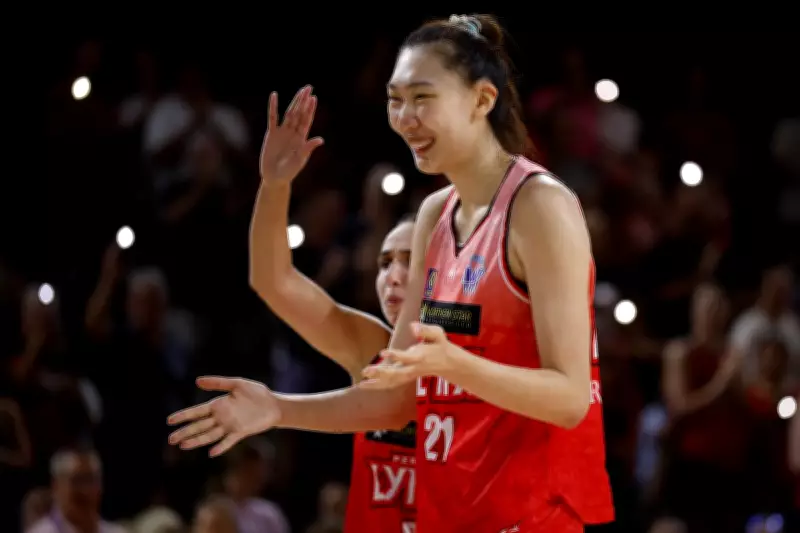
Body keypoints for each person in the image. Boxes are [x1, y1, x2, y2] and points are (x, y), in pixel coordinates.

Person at [169, 13, 614, 532]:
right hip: (449, 517)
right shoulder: (434, 215)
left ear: (482, 100)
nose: (403, 117)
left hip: (534, 519)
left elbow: (569, 398)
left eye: (422, 98)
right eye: (394, 99)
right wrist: (277, 409)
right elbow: (397, 398)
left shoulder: (540, 206)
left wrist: (456, 365)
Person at [247, 143, 417, 533]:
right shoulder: (372, 347)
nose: (393, 275)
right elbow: (272, 280)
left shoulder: (474, 351)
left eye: (411, 259)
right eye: (385, 262)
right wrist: (275, 185)